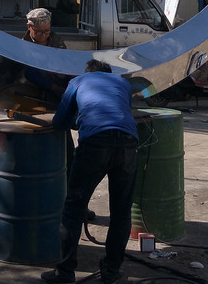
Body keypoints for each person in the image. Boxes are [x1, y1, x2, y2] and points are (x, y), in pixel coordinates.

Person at [41, 60, 138, 284]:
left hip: (95, 143)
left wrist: (77, 119)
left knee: (74, 209)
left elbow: (59, 121)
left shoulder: (78, 81)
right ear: (108, 73)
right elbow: (120, 110)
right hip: (128, 142)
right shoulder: (122, 83)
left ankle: (65, 272)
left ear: (88, 72)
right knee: (121, 212)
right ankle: (111, 272)